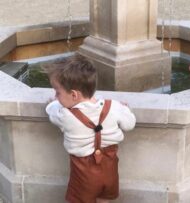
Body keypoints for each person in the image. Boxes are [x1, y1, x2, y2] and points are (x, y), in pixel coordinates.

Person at [44, 54, 136, 203]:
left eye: (57, 92)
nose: (56, 96)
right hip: (110, 168)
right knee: (104, 198)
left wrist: (52, 103)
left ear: (74, 95)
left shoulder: (64, 115)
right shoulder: (113, 106)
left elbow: (51, 111)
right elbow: (129, 124)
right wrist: (125, 110)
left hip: (83, 172)